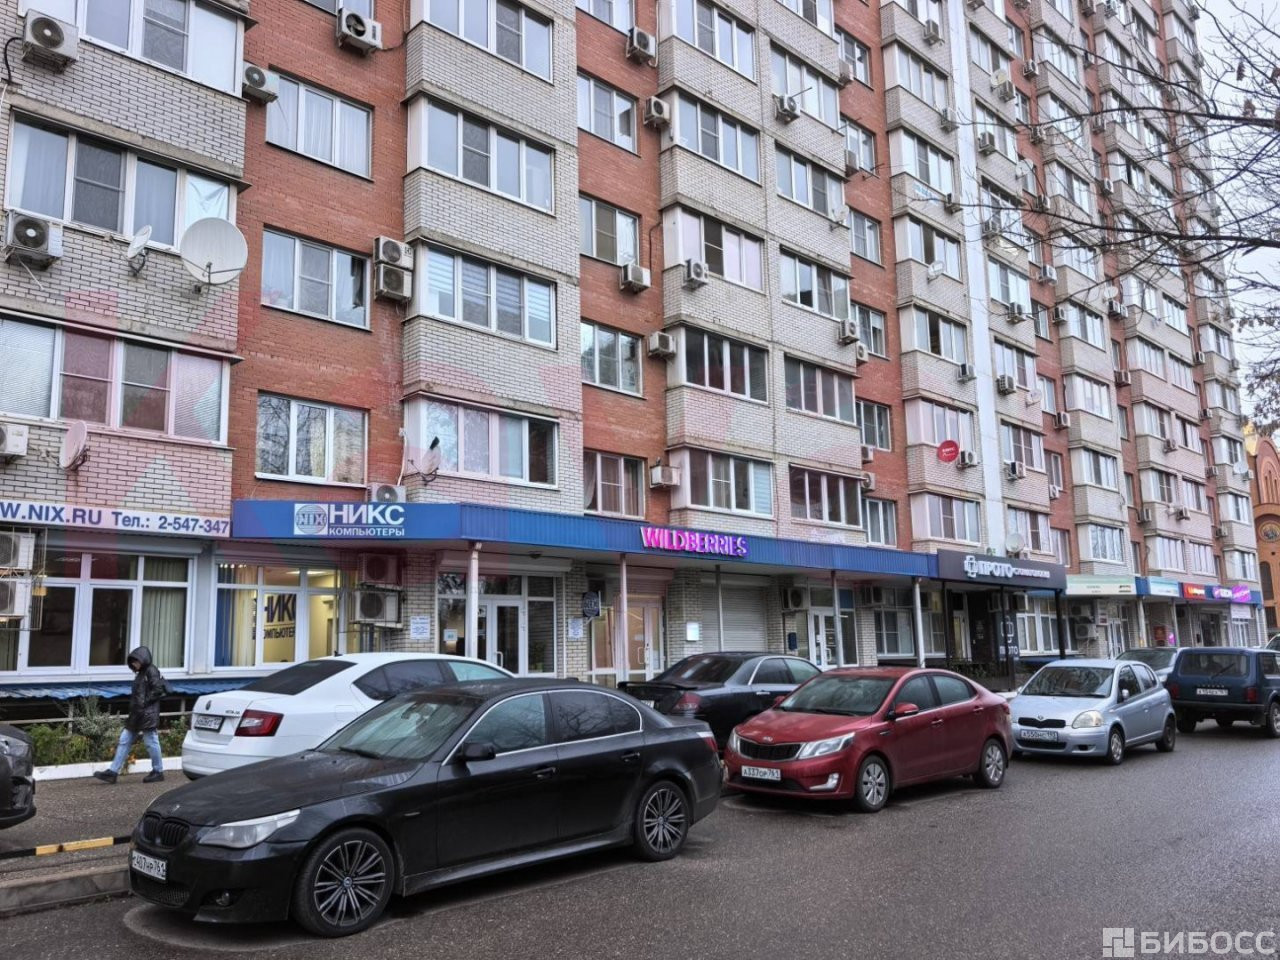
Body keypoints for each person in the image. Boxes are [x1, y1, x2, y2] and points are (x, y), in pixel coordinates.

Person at [93, 646, 167, 785]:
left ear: (143, 659)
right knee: (124, 740)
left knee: (151, 742)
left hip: (147, 714)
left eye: (136, 661)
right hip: (137, 714)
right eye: (132, 662)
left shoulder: (151, 670)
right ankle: (113, 772)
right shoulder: (141, 673)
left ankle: (158, 771)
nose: (134, 664)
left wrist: (144, 703)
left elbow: (158, 690)